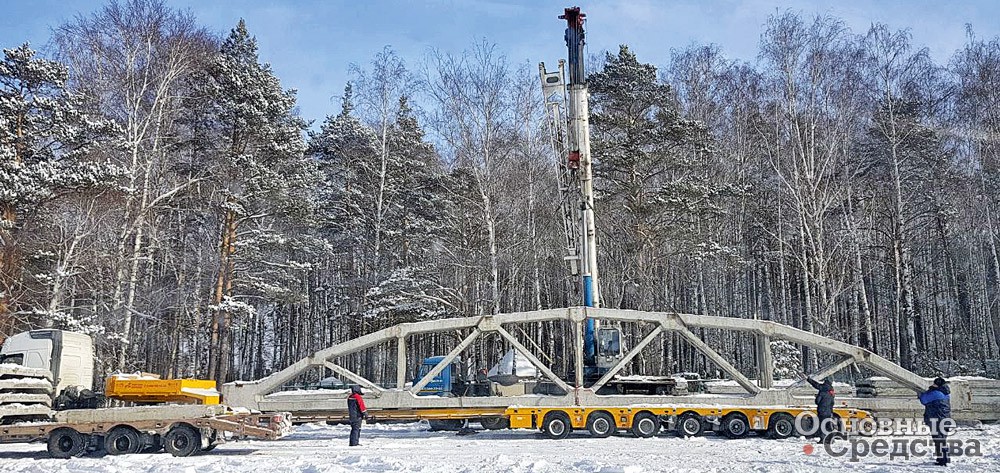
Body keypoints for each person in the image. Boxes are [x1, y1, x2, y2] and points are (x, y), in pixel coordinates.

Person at [919, 377, 952, 466]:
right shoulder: (945, 393)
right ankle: (943, 459)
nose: (932, 385)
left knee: (939, 440)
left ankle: (943, 460)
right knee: (941, 440)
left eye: (934, 383)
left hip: (937, 420)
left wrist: (925, 392)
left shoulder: (936, 393)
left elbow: (923, 399)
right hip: (944, 419)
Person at [806, 376, 836, 444]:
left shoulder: (822, 391)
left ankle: (823, 439)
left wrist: (817, 397)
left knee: (822, 426)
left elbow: (817, 401)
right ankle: (831, 439)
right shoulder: (831, 392)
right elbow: (832, 403)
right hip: (828, 411)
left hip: (822, 411)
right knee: (828, 425)